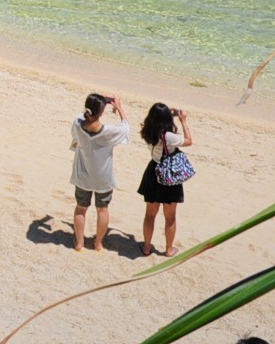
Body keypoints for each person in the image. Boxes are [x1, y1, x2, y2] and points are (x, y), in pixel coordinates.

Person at [68, 92, 129, 251]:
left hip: (83, 176)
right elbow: (126, 127)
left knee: (81, 208)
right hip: (103, 178)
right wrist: (119, 107)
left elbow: (82, 118)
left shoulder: (77, 124)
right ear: (101, 112)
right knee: (102, 209)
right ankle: (98, 243)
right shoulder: (108, 132)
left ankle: (80, 242)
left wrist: (99, 103)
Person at [138, 102, 194, 256]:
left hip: (153, 171)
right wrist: (183, 121)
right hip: (169, 174)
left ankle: (147, 247)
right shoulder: (169, 137)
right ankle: (169, 249)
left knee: (150, 215)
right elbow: (189, 141)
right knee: (170, 217)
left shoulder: (146, 131)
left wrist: (166, 114)